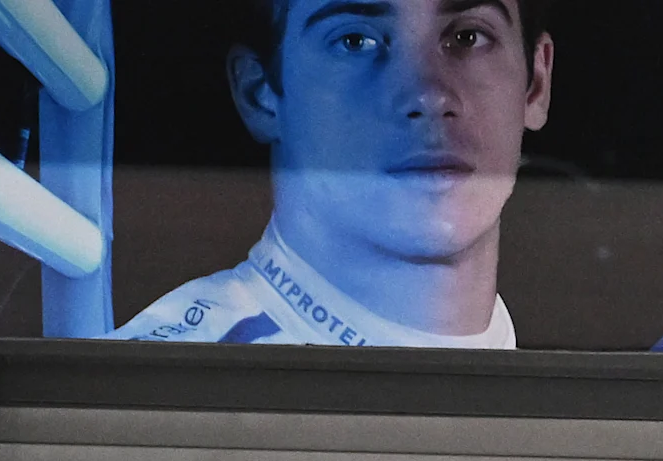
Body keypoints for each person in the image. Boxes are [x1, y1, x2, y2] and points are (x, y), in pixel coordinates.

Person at [116, 0, 549, 348]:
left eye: (468, 37)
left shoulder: (582, 405)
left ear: (536, 83)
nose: (428, 95)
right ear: (260, 94)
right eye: (355, 40)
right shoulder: (147, 403)